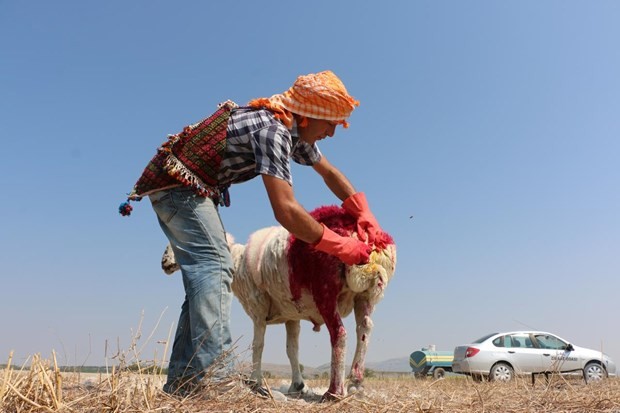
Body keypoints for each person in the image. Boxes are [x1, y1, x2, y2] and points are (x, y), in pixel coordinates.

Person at [120, 70, 385, 396]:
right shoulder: (273, 130)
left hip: (189, 190)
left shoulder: (295, 132)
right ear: (309, 115)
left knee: (205, 279)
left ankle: (184, 381)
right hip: (179, 189)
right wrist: (340, 247)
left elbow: (328, 172)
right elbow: (286, 210)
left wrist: (363, 211)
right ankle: (216, 382)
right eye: (330, 122)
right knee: (216, 266)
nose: (332, 131)